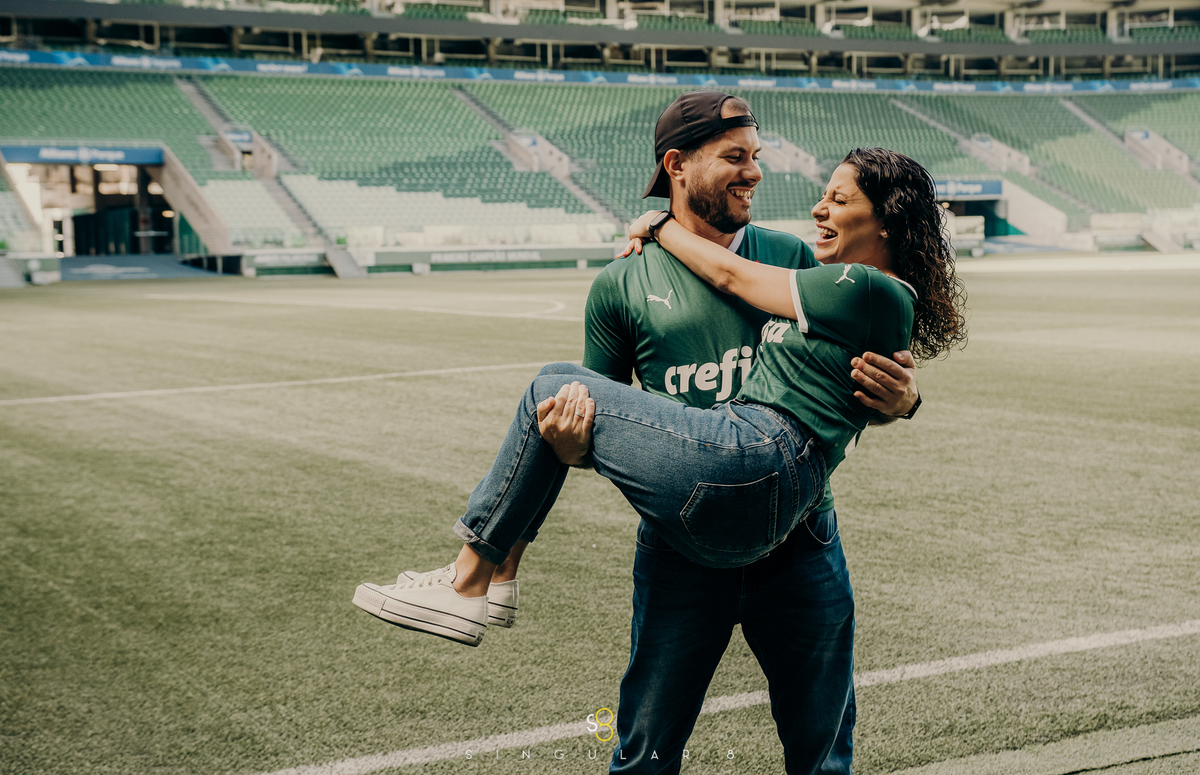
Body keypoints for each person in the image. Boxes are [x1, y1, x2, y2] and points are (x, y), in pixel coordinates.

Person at [353, 141, 967, 764]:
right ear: (677, 165)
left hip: (766, 479)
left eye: (838, 199)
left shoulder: (836, 275)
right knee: (652, 743)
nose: (811, 206)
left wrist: (661, 226)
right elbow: (617, 419)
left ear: (886, 220)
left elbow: (735, 277)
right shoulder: (636, 283)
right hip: (717, 499)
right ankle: (491, 577)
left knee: (548, 381)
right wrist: (570, 444)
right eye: (736, 155)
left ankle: (476, 578)